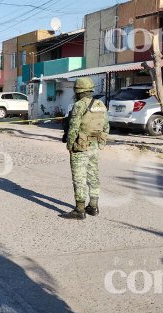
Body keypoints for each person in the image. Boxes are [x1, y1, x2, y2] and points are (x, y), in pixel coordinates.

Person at [62, 77, 109, 220]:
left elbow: (74, 127)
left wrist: (70, 145)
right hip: (94, 145)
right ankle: (93, 207)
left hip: (80, 146)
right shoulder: (101, 104)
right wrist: (102, 142)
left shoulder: (79, 105)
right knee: (93, 176)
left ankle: (79, 210)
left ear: (78, 91)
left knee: (79, 177)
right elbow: (106, 126)